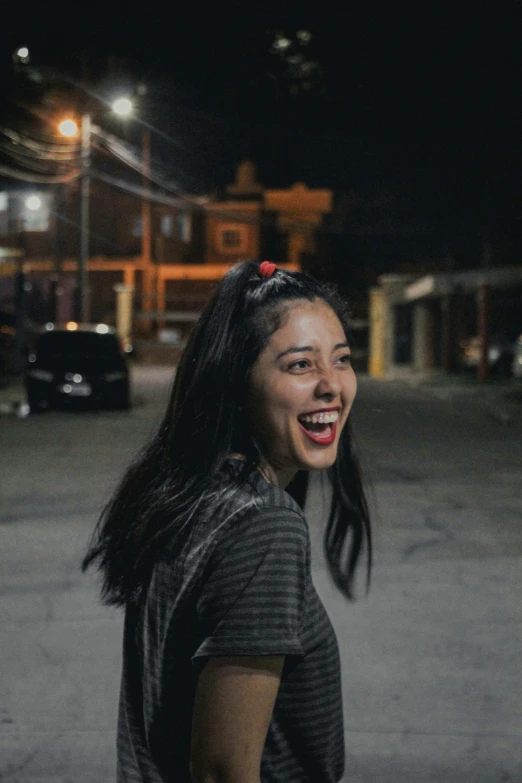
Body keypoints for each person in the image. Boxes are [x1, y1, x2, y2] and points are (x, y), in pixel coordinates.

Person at [82, 259, 372, 783]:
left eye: (342, 359)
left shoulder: (189, 496)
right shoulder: (263, 525)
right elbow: (221, 769)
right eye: (301, 365)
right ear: (237, 383)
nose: (332, 385)